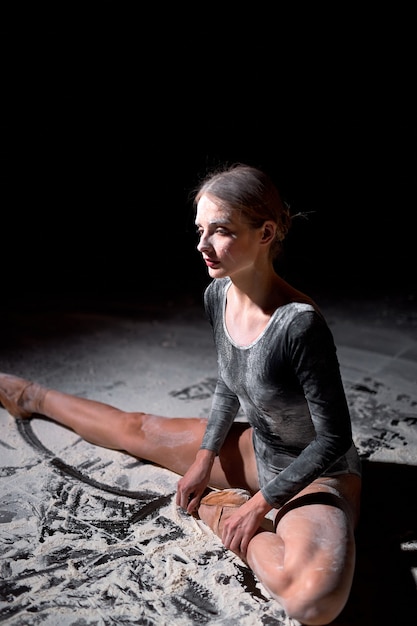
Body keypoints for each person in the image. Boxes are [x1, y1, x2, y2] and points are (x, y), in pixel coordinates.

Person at [0, 163, 361, 626]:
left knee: (313, 602)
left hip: (317, 473)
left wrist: (255, 506)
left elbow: (333, 438)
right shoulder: (219, 295)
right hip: (261, 449)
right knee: (137, 428)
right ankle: (29, 395)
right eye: (199, 230)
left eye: (220, 231)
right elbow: (229, 381)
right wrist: (204, 458)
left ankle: (217, 510)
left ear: (266, 232)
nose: (202, 245)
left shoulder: (299, 322)